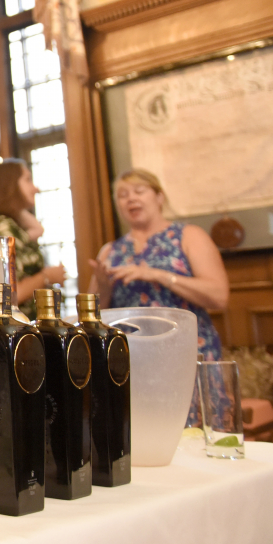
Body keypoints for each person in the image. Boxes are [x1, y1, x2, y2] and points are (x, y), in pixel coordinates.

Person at [90, 168, 230, 424]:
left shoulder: (189, 236)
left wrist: (158, 275)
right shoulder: (111, 250)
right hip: (134, 362)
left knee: (195, 437)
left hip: (187, 354)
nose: (130, 198)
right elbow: (92, 316)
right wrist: (102, 285)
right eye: (122, 195)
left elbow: (219, 296)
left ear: (159, 197)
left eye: (139, 191)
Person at [0, 158, 66, 320]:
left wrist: (13, 204)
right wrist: (47, 276)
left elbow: (38, 230)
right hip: (18, 329)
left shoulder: (0, 224)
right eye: (27, 180)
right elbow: (7, 295)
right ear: (9, 184)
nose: (35, 188)